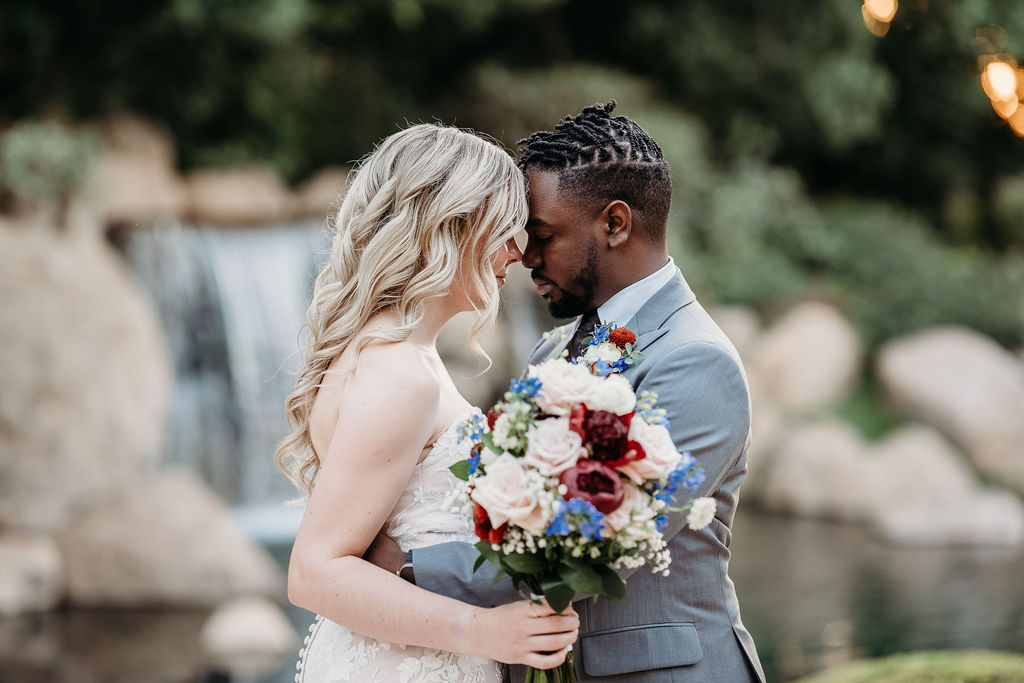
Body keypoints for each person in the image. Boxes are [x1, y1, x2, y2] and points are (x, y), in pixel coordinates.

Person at [368, 103, 767, 682]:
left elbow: (595, 550)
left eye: (543, 235)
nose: (525, 257)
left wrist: (403, 564)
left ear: (615, 224)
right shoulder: (552, 351)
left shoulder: (698, 362)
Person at [276, 123, 579, 682]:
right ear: (453, 225)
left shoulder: (393, 352)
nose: (517, 251)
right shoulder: (400, 373)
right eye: (505, 229)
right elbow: (314, 572)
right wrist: (483, 631)